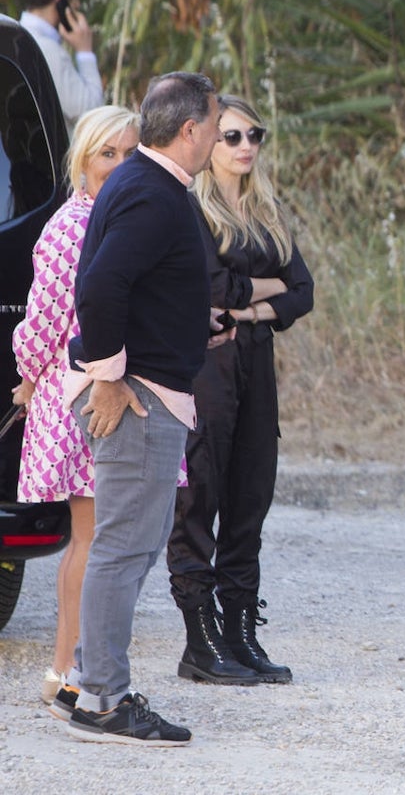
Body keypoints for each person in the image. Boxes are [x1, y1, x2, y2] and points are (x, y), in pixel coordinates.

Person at [55, 71, 221, 746]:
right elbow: (98, 287)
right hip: (138, 397)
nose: (215, 135)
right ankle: (101, 698)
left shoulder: (142, 182)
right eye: (214, 124)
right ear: (189, 129)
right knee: (125, 548)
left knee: (123, 546)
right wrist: (110, 376)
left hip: (147, 387)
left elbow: (129, 283)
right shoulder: (152, 192)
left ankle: (94, 685)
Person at [166, 95, 313, 686]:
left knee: (251, 496)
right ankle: (198, 641)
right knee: (200, 497)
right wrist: (260, 290)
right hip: (207, 366)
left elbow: (300, 292)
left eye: (255, 134)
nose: (246, 146)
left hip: (254, 361)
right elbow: (209, 284)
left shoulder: (266, 210)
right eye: (231, 136)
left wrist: (247, 309)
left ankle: (239, 631)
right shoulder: (190, 208)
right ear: (208, 142)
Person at [10, 105, 139, 708]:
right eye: (105, 153)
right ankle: (66, 672)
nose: (117, 165)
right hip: (80, 398)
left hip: (95, 392)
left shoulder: (116, 219)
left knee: (94, 540)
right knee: (91, 541)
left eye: (128, 153)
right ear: (81, 160)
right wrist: (31, 378)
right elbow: (42, 325)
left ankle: (69, 668)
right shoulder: (74, 225)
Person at [18, 0, 104, 127]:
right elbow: (91, 114)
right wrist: (85, 51)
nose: (77, 5)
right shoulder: (45, 49)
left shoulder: (18, 35)